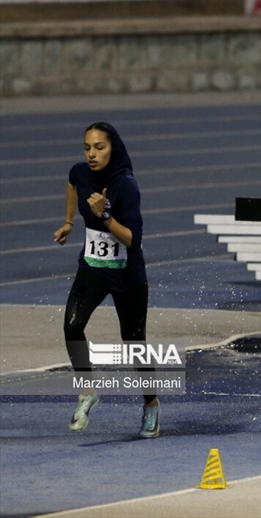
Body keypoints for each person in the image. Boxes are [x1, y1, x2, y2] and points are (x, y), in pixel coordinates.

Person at [53, 122, 160, 438]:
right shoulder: (80, 172)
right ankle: (87, 392)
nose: (92, 154)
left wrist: (105, 216)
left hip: (126, 273)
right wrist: (69, 221)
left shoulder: (126, 186)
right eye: (87, 148)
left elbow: (132, 240)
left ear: (114, 148)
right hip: (93, 267)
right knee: (72, 325)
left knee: (133, 343)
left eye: (99, 148)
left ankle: (151, 405)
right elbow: (72, 184)